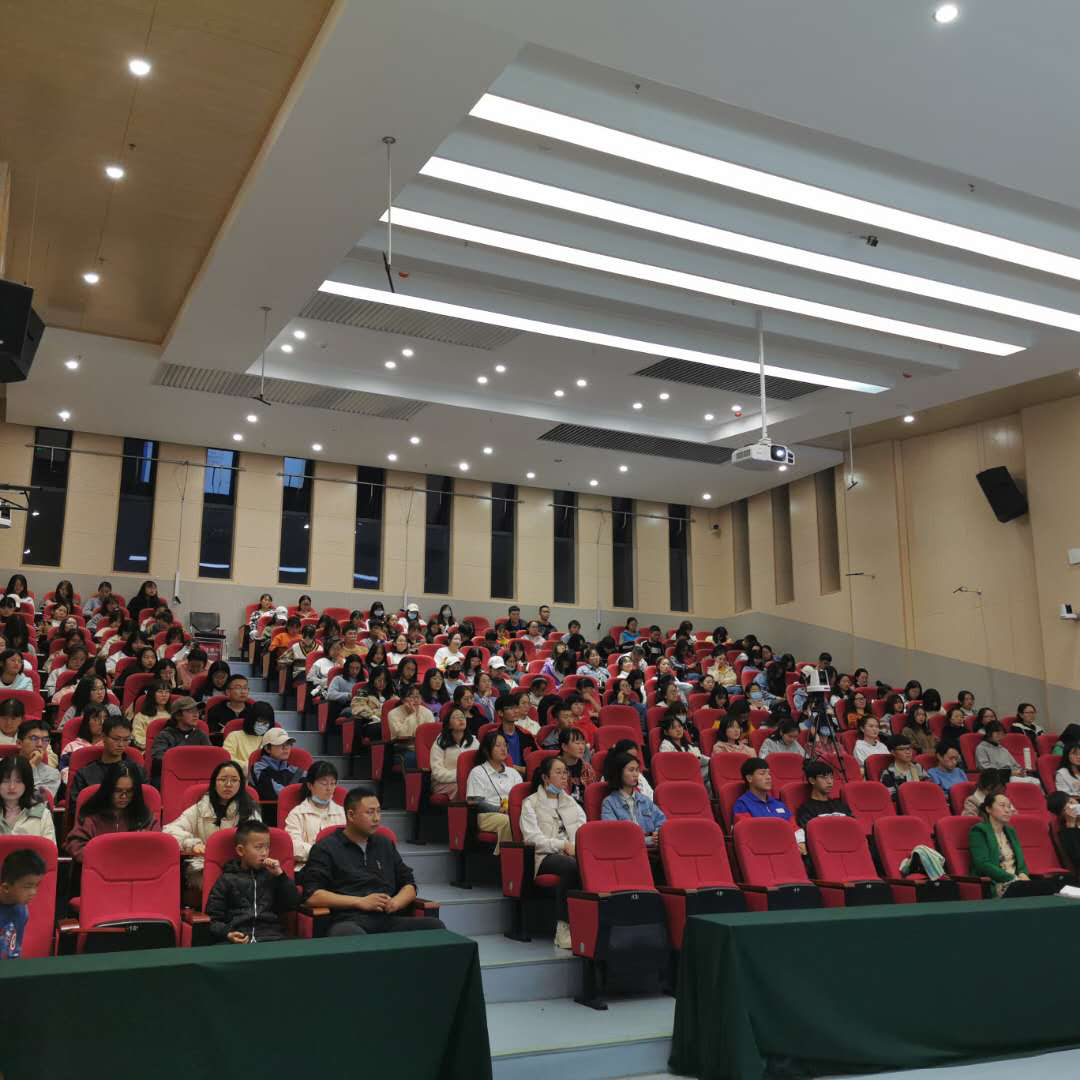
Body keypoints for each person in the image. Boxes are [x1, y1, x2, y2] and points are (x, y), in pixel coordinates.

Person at [300, 787, 446, 935]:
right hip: (349, 920)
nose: (376, 818)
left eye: (378, 811)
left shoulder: (385, 844)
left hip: (388, 918)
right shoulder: (326, 847)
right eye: (370, 812)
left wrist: (396, 902)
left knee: (435, 927)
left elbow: (409, 884)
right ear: (351, 815)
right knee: (351, 934)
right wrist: (360, 902)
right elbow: (312, 895)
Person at [164, 760, 260, 893]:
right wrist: (192, 844)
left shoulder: (249, 810)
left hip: (239, 867)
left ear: (241, 784)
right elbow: (169, 830)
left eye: (234, 780)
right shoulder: (201, 807)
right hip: (205, 865)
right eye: (223, 779)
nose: (228, 784)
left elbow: (258, 841)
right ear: (214, 782)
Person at [520, 756, 585, 950]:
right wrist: (562, 845)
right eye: (558, 772)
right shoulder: (531, 803)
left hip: (573, 853)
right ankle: (563, 929)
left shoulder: (571, 802)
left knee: (588, 865)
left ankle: (588, 925)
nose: (564, 776)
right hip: (544, 857)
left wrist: (575, 847)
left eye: (565, 772)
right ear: (545, 778)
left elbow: (583, 829)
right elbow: (532, 839)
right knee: (571, 866)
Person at [206, 820, 300, 944]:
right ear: (241, 850)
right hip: (238, 939)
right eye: (258, 847)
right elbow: (212, 919)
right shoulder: (227, 879)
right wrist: (227, 933)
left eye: (267, 847)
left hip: (272, 937)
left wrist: (280, 875)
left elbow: (292, 904)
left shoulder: (273, 876)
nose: (264, 853)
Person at [64, 761, 159, 862]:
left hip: (136, 868)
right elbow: (75, 845)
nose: (124, 796)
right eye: (118, 791)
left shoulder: (144, 816)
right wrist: (107, 859)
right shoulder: (92, 817)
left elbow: (158, 846)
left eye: (129, 791)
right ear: (108, 789)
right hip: (100, 868)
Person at [67, 716, 144, 809]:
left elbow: (144, 805)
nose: (121, 744)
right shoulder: (85, 774)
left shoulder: (138, 772)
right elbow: (76, 808)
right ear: (103, 736)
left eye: (126, 740)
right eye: (115, 739)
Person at [969, 791, 1031, 898]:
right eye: (1002, 806)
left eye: (1009, 806)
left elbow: (1021, 860)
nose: (1007, 810)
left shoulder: (1010, 831)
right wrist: (1012, 878)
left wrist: (1023, 874)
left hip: (1018, 883)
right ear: (988, 809)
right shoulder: (979, 831)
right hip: (997, 883)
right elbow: (982, 864)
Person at [465, 732, 520, 852]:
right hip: (487, 815)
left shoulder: (513, 773)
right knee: (508, 821)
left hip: (512, 813)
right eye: (498, 745)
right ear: (486, 750)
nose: (503, 749)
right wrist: (499, 809)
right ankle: (507, 857)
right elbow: (474, 801)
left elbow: (521, 798)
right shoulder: (477, 772)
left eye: (505, 745)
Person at [284, 761, 345, 866]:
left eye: (333, 783)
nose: (329, 788)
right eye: (324, 783)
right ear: (310, 785)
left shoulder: (342, 813)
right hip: (308, 865)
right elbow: (293, 846)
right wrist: (322, 854)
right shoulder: (297, 813)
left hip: (339, 866)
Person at [600, 752, 666, 845]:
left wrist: (658, 834)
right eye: (631, 770)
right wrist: (647, 840)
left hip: (653, 848)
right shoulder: (609, 803)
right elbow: (614, 835)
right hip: (627, 850)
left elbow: (662, 821)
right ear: (619, 772)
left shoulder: (644, 800)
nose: (636, 774)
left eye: (637, 770)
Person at [0, 848, 47, 959]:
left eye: (36, 885)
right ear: (6, 888)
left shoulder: (21, 912)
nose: (33, 892)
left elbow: (13, 951)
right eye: (27, 887)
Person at [149, 696, 211, 778]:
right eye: (190, 711)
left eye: (197, 711)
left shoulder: (201, 735)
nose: (196, 715)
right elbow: (158, 759)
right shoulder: (165, 735)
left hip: (196, 776)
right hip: (171, 777)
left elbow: (210, 757)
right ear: (178, 715)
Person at [0, 756, 56, 841]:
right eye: (6, 781)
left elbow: (49, 848)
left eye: (18, 781)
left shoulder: (43, 815)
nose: (12, 787)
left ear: (27, 783)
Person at [732, 758, 794, 825]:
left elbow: (795, 828)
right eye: (762, 773)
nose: (768, 777)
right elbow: (746, 829)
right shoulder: (742, 804)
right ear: (749, 778)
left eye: (769, 773)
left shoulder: (779, 804)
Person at [386, 685, 436, 769]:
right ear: (403, 700)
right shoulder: (393, 714)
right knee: (414, 757)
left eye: (418, 696)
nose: (416, 700)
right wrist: (412, 714)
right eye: (412, 697)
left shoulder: (427, 713)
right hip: (402, 748)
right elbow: (402, 735)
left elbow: (430, 736)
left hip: (424, 747)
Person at [974, 720, 1039, 782]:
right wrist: (1010, 773)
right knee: (1032, 782)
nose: (1000, 737)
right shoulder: (981, 748)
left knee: (1036, 780)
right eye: (997, 734)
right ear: (989, 734)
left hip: (1013, 776)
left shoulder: (1002, 749)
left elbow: (1016, 766)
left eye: (1002, 734)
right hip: (998, 779)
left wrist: (1021, 771)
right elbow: (986, 769)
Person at [796, 761, 851, 833]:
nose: (830, 782)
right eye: (824, 777)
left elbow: (853, 826)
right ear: (812, 780)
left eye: (831, 777)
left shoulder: (840, 804)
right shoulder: (806, 809)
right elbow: (812, 833)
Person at [250, 728, 304, 801]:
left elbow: (311, 789)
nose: (286, 748)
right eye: (280, 744)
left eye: (288, 744)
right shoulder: (258, 768)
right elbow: (275, 793)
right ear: (267, 748)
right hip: (268, 808)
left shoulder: (296, 770)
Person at [223, 700, 276, 773]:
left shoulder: (271, 739)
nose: (263, 725)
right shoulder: (234, 736)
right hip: (238, 774)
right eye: (260, 721)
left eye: (266, 723)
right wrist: (247, 765)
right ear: (251, 720)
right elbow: (226, 757)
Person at [16, 719, 60, 801]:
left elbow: (40, 801)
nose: (40, 744)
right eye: (34, 738)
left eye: (45, 740)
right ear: (19, 743)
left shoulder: (52, 774)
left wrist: (32, 767)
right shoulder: (3, 765)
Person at [493, 695, 537, 777]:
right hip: (500, 777)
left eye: (516, 707)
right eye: (510, 708)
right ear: (500, 713)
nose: (516, 711)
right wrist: (519, 769)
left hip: (525, 777)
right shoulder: (492, 737)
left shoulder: (526, 735)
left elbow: (536, 759)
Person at [658, 712, 708, 778]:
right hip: (679, 775)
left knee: (711, 766)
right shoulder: (665, 746)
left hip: (693, 772)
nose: (678, 730)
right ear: (666, 732)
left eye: (680, 726)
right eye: (673, 728)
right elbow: (668, 765)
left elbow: (700, 757)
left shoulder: (688, 745)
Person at [556, 726, 595, 807]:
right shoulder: (554, 769)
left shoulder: (587, 768)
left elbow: (593, 795)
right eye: (577, 743)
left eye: (583, 743)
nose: (581, 747)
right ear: (564, 747)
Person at [130, 679, 172, 751]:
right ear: (152, 694)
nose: (164, 695)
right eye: (160, 692)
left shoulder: (174, 715)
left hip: (171, 750)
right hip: (149, 751)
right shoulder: (141, 717)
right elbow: (138, 740)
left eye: (167, 692)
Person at [1046, 792, 1080, 873]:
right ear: (1060, 815)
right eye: (1066, 810)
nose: (1073, 808)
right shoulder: (1065, 831)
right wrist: (1071, 825)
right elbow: (1077, 858)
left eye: (1071, 802)